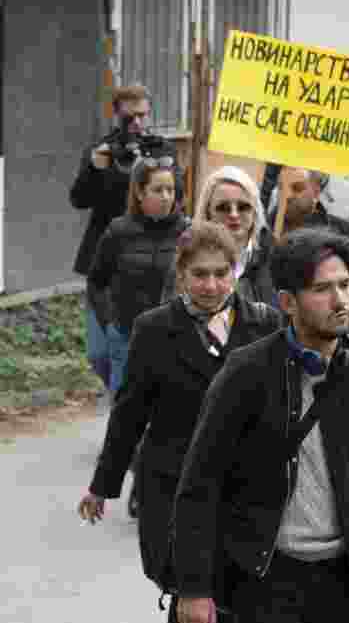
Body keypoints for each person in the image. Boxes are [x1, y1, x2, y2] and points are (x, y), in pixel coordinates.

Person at [173, 227, 349, 623]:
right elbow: (199, 484)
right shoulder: (246, 373)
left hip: (337, 580)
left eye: (345, 285)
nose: (340, 299)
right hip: (258, 577)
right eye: (322, 289)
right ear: (288, 302)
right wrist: (193, 587)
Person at [77, 222, 282, 617]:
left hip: (246, 492)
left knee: (244, 599)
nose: (211, 285)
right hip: (175, 488)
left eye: (221, 274)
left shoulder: (265, 326)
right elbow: (129, 415)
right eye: (199, 274)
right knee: (191, 597)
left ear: (235, 272)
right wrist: (103, 484)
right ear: (182, 273)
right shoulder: (154, 330)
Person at [70, 84, 176, 390]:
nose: (138, 124)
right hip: (103, 261)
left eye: (143, 116)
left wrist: (151, 166)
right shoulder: (102, 149)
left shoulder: (161, 150)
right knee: (99, 353)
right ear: (116, 114)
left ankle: (131, 407)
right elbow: (78, 199)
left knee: (145, 346)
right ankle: (126, 392)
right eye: (130, 118)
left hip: (149, 257)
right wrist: (95, 168)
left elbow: (178, 197)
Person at [88, 154, 189, 396]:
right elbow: (96, 282)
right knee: (125, 414)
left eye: (170, 190)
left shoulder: (187, 232)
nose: (166, 197)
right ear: (140, 193)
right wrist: (109, 322)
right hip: (126, 337)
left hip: (171, 340)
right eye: (158, 190)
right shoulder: (118, 231)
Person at [193, 166, 276, 305]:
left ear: (254, 211)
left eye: (243, 207)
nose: (234, 214)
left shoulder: (275, 255)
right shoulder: (189, 254)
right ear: (208, 213)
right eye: (223, 208)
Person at [268, 167, 349, 265]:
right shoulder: (263, 235)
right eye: (281, 188)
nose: (288, 195)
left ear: (316, 192)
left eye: (297, 188)